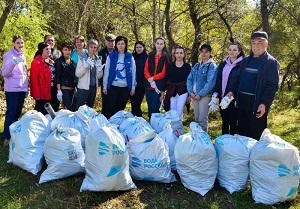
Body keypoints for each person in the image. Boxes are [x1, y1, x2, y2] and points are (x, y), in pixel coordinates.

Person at [227, 31, 279, 140]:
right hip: (242, 103)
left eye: (259, 43)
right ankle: (243, 156)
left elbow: (272, 86)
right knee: (241, 134)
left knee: (256, 135)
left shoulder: (271, 63)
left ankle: (256, 157)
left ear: (266, 44)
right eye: (253, 43)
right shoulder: (245, 61)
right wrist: (232, 92)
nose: (256, 46)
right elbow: (237, 80)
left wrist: (264, 103)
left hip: (257, 104)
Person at [210, 42, 245, 135]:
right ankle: (224, 144)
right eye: (230, 49)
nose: (231, 52)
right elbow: (219, 79)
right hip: (223, 98)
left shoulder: (242, 65)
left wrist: (233, 92)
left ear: (239, 51)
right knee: (225, 122)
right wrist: (215, 93)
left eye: (234, 50)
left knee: (233, 122)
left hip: (233, 99)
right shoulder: (223, 64)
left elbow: (241, 82)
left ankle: (233, 144)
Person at [0, 35, 28, 147]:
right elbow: (4, 73)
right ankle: (7, 137)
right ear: (13, 43)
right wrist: (13, 63)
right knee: (11, 112)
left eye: (22, 43)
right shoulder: (8, 55)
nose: (20, 45)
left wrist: (26, 88)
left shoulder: (23, 56)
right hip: (12, 89)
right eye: (18, 43)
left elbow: (24, 73)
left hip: (21, 88)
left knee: (17, 113)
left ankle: (14, 134)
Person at [102, 36, 136, 119]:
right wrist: (105, 86)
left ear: (125, 45)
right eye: (119, 44)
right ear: (116, 45)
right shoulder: (111, 56)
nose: (121, 46)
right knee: (111, 108)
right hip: (113, 87)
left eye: (122, 44)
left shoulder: (129, 56)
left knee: (120, 109)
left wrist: (133, 87)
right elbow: (107, 71)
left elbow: (133, 72)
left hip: (125, 88)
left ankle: (118, 127)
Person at [187, 43, 218, 132]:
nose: (204, 54)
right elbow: (189, 79)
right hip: (194, 96)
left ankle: (204, 143)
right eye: (202, 52)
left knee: (202, 120)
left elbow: (210, 83)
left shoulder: (212, 66)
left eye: (206, 52)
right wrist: (191, 92)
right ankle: (198, 140)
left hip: (205, 96)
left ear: (210, 53)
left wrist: (200, 94)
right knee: (196, 119)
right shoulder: (197, 65)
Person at [144, 37, 171, 119]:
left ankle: (156, 125)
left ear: (164, 45)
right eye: (158, 43)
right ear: (155, 44)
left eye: (161, 44)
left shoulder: (166, 56)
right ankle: (150, 126)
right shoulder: (150, 55)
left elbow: (164, 73)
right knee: (149, 107)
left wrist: (153, 78)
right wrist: (149, 78)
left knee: (155, 108)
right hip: (148, 85)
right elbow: (145, 69)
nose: (159, 46)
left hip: (158, 86)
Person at [30, 42, 60, 115]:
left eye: (50, 49)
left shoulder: (51, 61)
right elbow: (34, 80)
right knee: (42, 112)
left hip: (52, 90)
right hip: (42, 93)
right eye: (46, 49)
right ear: (41, 50)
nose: (49, 51)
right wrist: (36, 95)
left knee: (53, 111)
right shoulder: (36, 62)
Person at [163, 46, 191, 120]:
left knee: (179, 111)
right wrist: (163, 93)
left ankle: (179, 130)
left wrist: (190, 95)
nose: (179, 55)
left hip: (183, 91)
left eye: (181, 53)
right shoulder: (170, 66)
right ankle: (173, 130)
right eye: (177, 53)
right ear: (174, 54)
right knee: (172, 112)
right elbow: (166, 80)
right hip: (172, 91)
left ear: (184, 54)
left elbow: (190, 81)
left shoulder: (187, 67)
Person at [75, 39, 104, 110]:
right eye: (91, 47)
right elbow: (77, 74)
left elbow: (99, 76)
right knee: (79, 108)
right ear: (88, 47)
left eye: (95, 47)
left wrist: (100, 70)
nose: (93, 49)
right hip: (83, 88)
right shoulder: (82, 58)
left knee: (89, 108)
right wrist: (85, 66)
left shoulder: (98, 59)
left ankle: (87, 121)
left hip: (93, 87)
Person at [55, 42, 77, 110]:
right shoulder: (59, 61)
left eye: (69, 50)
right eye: (65, 49)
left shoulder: (72, 61)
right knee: (68, 108)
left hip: (72, 87)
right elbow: (58, 76)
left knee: (73, 107)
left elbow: (74, 75)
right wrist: (59, 90)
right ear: (62, 50)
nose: (67, 52)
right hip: (64, 87)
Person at [98, 33, 116, 116]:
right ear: (105, 42)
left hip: (116, 81)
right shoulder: (101, 52)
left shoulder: (118, 51)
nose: (110, 43)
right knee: (105, 101)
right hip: (104, 80)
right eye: (109, 41)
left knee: (114, 101)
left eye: (112, 41)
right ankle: (105, 118)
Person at [130, 41, 148, 117]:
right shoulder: (132, 56)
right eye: (137, 47)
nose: (138, 49)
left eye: (140, 47)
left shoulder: (147, 57)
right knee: (133, 103)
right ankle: (133, 121)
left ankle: (139, 119)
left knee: (137, 103)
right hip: (132, 83)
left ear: (143, 48)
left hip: (141, 84)